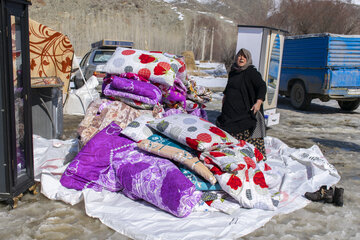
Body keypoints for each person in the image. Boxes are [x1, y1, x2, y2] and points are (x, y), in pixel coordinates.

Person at [216, 48, 267, 159]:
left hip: (244, 111)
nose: (241, 58)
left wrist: (259, 102)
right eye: (239, 56)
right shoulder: (233, 71)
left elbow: (262, 86)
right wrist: (225, 96)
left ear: (248, 59)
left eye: (244, 56)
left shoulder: (251, 72)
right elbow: (229, 86)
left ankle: (250, 157)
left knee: (244, 130)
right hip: (230, 110)